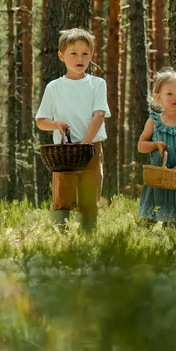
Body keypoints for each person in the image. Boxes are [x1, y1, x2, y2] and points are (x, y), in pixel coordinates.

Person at [35, 27, 111, 231]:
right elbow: (41, 121)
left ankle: (87, 238)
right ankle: (59, 237)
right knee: (62, 196)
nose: (80, 58)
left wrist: (85, 143)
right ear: (61, 56)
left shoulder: (97, 84)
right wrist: (56, 124)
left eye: (85, 53)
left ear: (92, 56)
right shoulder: (54, 87)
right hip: (64, 152)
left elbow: (99, 115)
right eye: (74, 53)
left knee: (89, 195)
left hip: (92, 148)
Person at [137, 69, 176, 223]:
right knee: (149, 217)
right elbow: (141, 146)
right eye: (169, 94)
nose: (175, 98)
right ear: (159, 97)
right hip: (157, 174)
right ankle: (145, 236)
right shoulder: (154, 121)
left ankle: (175, 234)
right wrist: (155, 144)